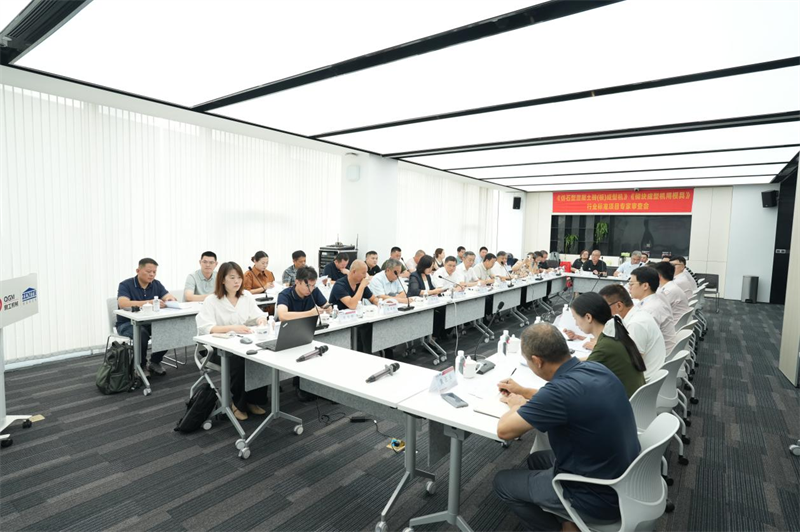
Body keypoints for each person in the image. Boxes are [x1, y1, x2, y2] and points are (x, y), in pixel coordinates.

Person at [493, 323, 641, 532]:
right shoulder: (596, 368)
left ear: (537, 361)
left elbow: (504, 431)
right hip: (625, 478)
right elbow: (560, 399)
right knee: (536, 460)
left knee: (502, 482)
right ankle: (568, 519)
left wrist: (516, 405)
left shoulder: (558, 393)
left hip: (598, 497)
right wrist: (523, 391)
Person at [196, 261, 269, 421]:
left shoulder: (246, 296)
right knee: (239, 361)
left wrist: (261, 321)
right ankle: (238, 404)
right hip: (217, 349)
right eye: (232, 278)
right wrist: (233, 328)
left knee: (260, 357)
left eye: (239, 278)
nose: (237, 281)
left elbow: (258, 314)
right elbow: (207, 327)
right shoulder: (211, 300)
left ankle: (253, 401)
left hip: (241, 343)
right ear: (222, 280)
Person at [569, 292, 646, 397]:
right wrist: (572, 360)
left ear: (588, 317)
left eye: (575, 318)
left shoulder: (605, 346)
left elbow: (575, 380)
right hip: (633, 398)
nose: (576, 324)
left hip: (623, 403)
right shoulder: (615, 329)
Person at [275, 266, 329, 402]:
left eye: (313, 285)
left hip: (308, 331)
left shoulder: (313, 291)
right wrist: (309, 313)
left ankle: (320, 386)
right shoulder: (285, 294)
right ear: (297, 282)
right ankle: (301, 386)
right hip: (288, 335)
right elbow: (283, 316)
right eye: (308, 286)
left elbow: (327, 306)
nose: (310, 289)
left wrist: (327, 309)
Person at [117, 258, 177, 376]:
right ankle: (140, 365)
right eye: (148, 271)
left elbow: (168, 296)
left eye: (154, 272)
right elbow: (123, 303)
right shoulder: (126, 284)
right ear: (138, 271)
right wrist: (148, 302)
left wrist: (169, 299)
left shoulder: (156, 284)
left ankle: (155, 361)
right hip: (127, 323)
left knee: (168, 330)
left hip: (149, 322)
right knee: (141, 334)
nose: (152, 274)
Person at [600, 284, 666, 382]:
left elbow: (630, 364)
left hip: (644, 381)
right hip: (649, 377)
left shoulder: (636, 324)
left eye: (605, 307)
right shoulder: (638, 314)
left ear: (619, 305)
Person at [629, 267, 677, 356]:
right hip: (661, 352)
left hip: (659, 358)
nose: (629, 287)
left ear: (645, 286)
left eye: (631, 284)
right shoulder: (654, 300)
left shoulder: (650, 310)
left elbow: (639, 348)